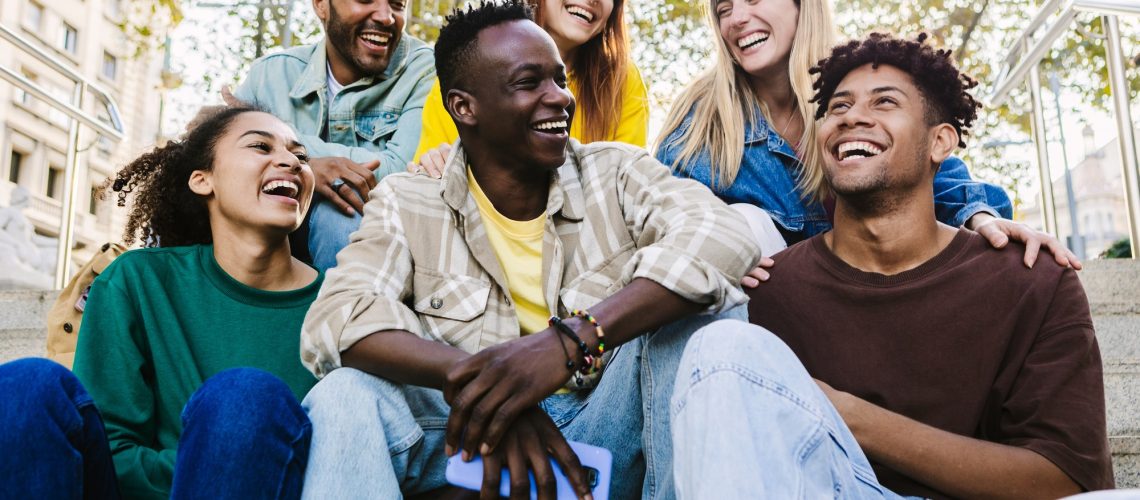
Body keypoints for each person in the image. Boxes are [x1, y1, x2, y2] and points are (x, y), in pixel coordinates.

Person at [298, 2, 758, 499]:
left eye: (559, 80)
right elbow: (336, 320)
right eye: (528, 82)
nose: (559, 98)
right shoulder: (408, 201)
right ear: (464, 107)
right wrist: (491, 388)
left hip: (607, 422)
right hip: (472, 438)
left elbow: (725, 236)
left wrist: (571, 342)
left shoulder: (616, 171)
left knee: (706, 318)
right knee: (344, 395)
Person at [669, 33, 1113, 498]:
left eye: (884, 103)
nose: (852, 117)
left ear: (940, 141)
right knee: (717, 341)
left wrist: (845, 413)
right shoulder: (769, 292)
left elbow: (1067, 480)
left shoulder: (1033, 279)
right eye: (837, 108)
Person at [0, 107, 323, 499]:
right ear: (203, 181)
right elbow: (110, 451)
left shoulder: (342, 306)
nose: (291, 161)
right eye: (259, 145)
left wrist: (238, 456)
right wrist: (213, 461)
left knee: (244, 398)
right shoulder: (137, 281)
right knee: (28, 384)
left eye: (301, 157)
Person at [655, 0, 1079, 282]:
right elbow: (664, 219)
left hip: (870, 289)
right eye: (724, 9)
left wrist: (981, 218)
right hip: (764, 307)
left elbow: (924, 163)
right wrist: (720, 254)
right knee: (747, 223)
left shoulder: (861, 78)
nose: (736, 19)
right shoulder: (700, 120)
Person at [230, 0, 435, 271]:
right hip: (271, 231)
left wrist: (296, 157)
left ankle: (345, 313)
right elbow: (228, 160)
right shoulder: (269, 74)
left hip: (378, 242)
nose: (386, 17)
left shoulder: (425, 70)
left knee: (338, 216)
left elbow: (401, 170)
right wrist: (308, 167)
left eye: (398, 4)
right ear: (321, 5)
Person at [409, 0, 648, 177]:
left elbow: (624, 177)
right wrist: (434, 162)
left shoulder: (621, 81)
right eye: (526, 82)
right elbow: (433, 166)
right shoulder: (466, 72)